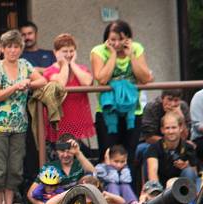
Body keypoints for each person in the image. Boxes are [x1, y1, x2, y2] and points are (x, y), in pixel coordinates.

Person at [0, 30, 47, 204]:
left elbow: (43, 80)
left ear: (21, 48)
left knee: (14, 169)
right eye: (9, 46)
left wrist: (28, 83)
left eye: (16, 46)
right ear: (2, 49)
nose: (13, 50)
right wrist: (15, 87)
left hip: (19, 126)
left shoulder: (25, 65)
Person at [90, 20, 153, 178]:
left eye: (121, 39)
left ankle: (129, 198)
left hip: (133, 111)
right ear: (106, 39)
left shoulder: (137, 48)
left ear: (128, 39)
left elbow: (145, 77)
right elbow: (102, 79)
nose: (117, 43)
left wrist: (131, 54)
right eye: (113, 39)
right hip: (107, 112)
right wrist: (112, 55)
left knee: (129, 156)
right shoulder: (98, 51)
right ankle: (106, 197)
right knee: (107, 154)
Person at [42, 33, 96, 153]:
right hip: (59, 121)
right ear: (55, 52)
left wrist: (72, 64)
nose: (68, 54)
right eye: (64, 51)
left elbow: (87, 82)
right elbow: (61, 83)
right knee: (61, 156)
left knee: (78, 156)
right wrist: (65, 65)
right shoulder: (49, 70)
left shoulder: (80, 68)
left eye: (71, 51)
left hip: (78, 119)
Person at [146, 112, 198, 188]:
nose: (171, 132)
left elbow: (194, 173)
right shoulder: (154, 147)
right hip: (161, 188)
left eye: (174, 127)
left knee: (189, 171)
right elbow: (152, 173)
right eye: (167, 128)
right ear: (162, 130)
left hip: (182, 189)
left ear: (180, 128)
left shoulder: (188, 148)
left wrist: (186, 166)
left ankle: (188, 199)